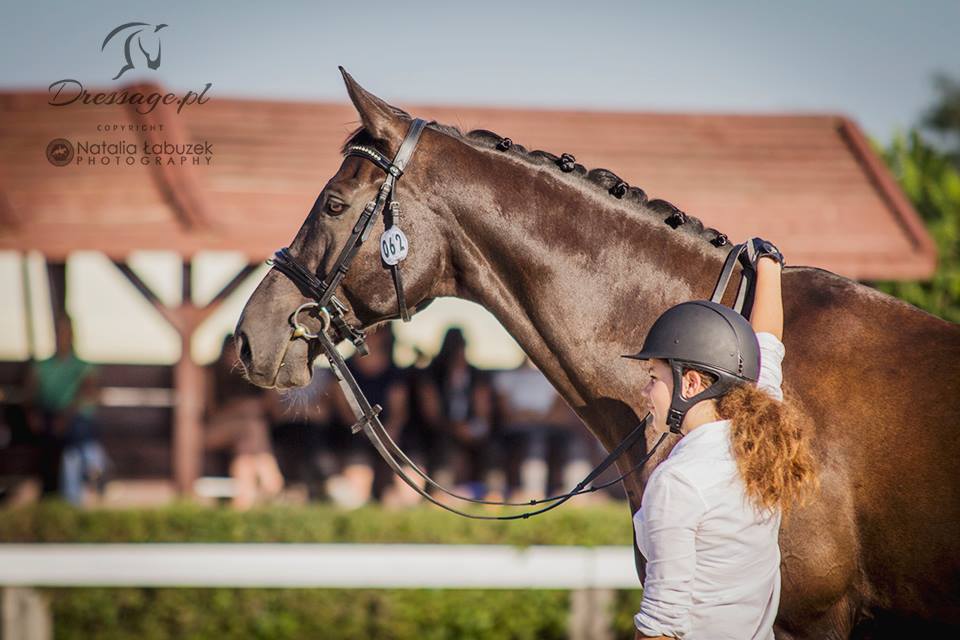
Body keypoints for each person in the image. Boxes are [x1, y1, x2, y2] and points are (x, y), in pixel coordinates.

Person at [625, 238, 818, 639]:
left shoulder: (677, 482)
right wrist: (768, 265)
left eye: (653, 378)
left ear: (691, 383)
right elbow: (767, 348)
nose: (645, 392)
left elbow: (662, 625)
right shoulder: (759, 442)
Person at [25, 313, 108, 505]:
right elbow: (30, 396)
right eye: (59, 332)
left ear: (72, 335)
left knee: (72, 445)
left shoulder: (84, 367)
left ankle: (80, 483)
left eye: (66, 332)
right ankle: (95, 464)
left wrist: (66, 417)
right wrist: (32, 414)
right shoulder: (41, 366)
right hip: (50, 418)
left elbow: (87, 393)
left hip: (76, 420)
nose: (62, 337)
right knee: (70, 450)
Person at [204, 334, 284, 510]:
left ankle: (243, 503)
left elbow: (273, 408)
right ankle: (270, 477)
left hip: (245, 436)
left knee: (245, 450)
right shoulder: (211, 374)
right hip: (210, 431)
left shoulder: (252, 375)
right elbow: (210, 412)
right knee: (252, 427)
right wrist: (241, 408)